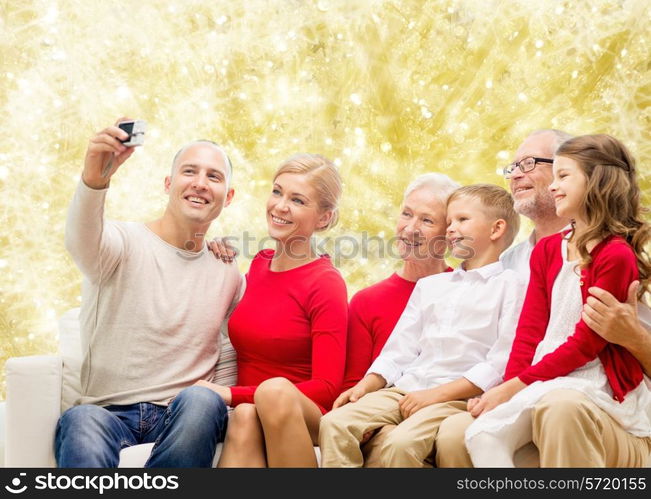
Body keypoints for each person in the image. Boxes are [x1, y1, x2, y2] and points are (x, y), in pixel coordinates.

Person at [437, 129, 651, 468]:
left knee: (559, 408)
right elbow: (529, 332)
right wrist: (507, 389)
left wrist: (515, 386)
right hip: (539, 377)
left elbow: (586, 343)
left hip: (588, 384)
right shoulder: (537, 254)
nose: (553, 185)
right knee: (471, 434)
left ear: (596, 182)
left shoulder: (618, 255)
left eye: (561, 175)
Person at [55, 119, 243, 467]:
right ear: (169, 184)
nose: (200, 183)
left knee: (203, 401)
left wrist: (226, 408)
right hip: (106, 413)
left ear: (227, 197)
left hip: (183, 415)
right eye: (190, 172)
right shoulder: (121, 243)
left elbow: (229, 352)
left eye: (214, 177)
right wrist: (95, 180)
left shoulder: (227, 269)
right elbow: (80, 241)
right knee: (80, 421)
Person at [319, 184, 526, 467]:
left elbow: (500, 362)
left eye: (462, 220)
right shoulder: (430, 286)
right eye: (449, 221)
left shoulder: (512, 286)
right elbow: (399, 349)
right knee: (334, 424)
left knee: (400, 444)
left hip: (455, 398)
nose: (451, 228)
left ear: (496, 229)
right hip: (406, 389)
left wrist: (434, 395)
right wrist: (367, 384)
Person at [201, 153, 348, 467]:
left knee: (270, 394)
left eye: (297, 200)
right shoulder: (258, 264)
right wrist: (207, 251)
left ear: (323, 218)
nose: (280, 206)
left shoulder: (325, 282)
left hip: (299, 411)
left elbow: (326, 388)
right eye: (277, 191)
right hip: (249, 410)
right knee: (244, 417)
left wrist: (231, 395)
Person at [339, 173, 459, 466]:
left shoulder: (468, 291)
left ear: (450, 233)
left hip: (444, 417)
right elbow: (354, 383)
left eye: (427, 221)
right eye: (406, 214)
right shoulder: (367, 301)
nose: (411, 228)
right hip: (384, 422)